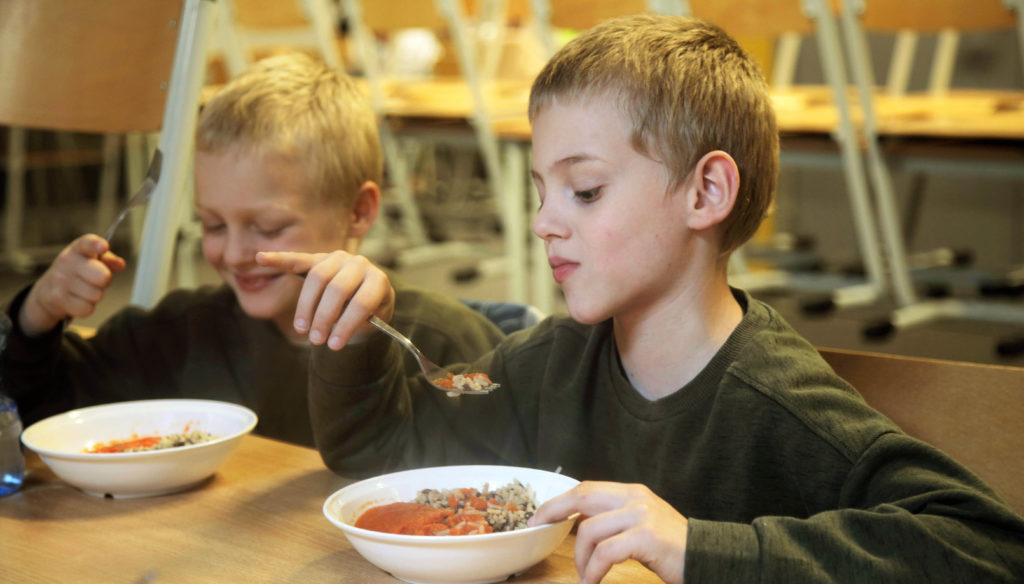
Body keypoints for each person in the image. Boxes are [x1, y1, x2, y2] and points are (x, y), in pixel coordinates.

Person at [258, 16, 1024, 583]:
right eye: (541, 190)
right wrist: (355, 331)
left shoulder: (777, 401)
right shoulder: (549, 363)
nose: (540, 222)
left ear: (707, 191)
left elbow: (990, 549)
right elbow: (377, 459)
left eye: (585, 190)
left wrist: (700, 547)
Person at [0, 53, 505, 447]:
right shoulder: (179, 334)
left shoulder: (442, 342)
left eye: (267, 227)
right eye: (213, 224)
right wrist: (37, 316)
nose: (236, 253)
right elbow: (40, 417)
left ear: (358, 211)